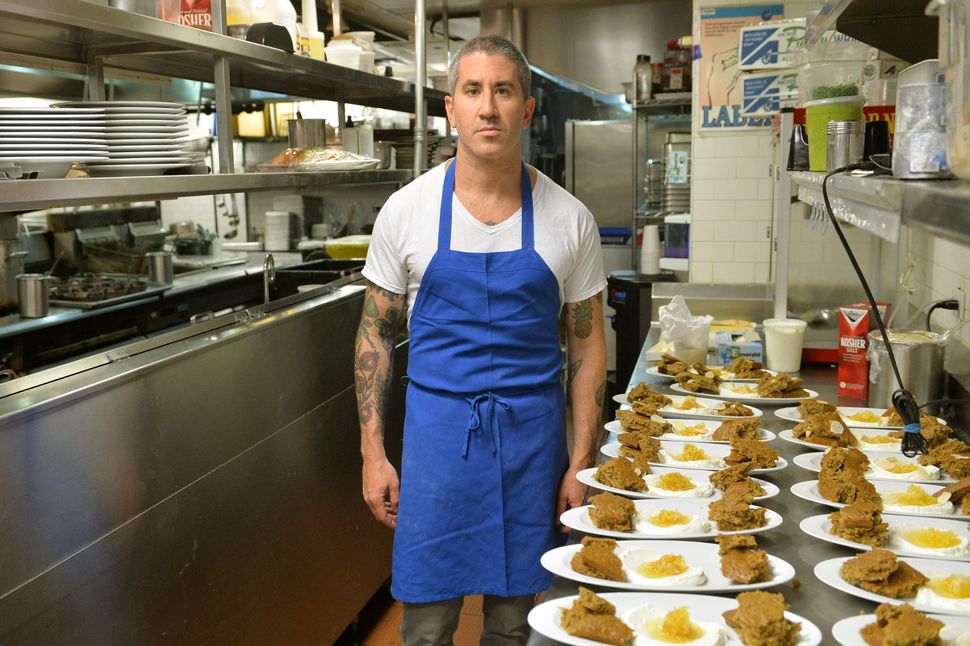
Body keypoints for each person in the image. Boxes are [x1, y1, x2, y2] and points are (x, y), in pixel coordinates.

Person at [355, 34, 607, 645]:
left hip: (532, 448)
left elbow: (587, 347)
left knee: (514, 625)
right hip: (437, 447)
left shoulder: (569, 219)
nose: (488, 107)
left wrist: (582, 462)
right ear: (451, 108)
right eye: (472, 91)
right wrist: (373, 454)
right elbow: (375, 337)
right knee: (426, 626)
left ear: (527, 107)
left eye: (503, 91)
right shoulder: (406, 212)